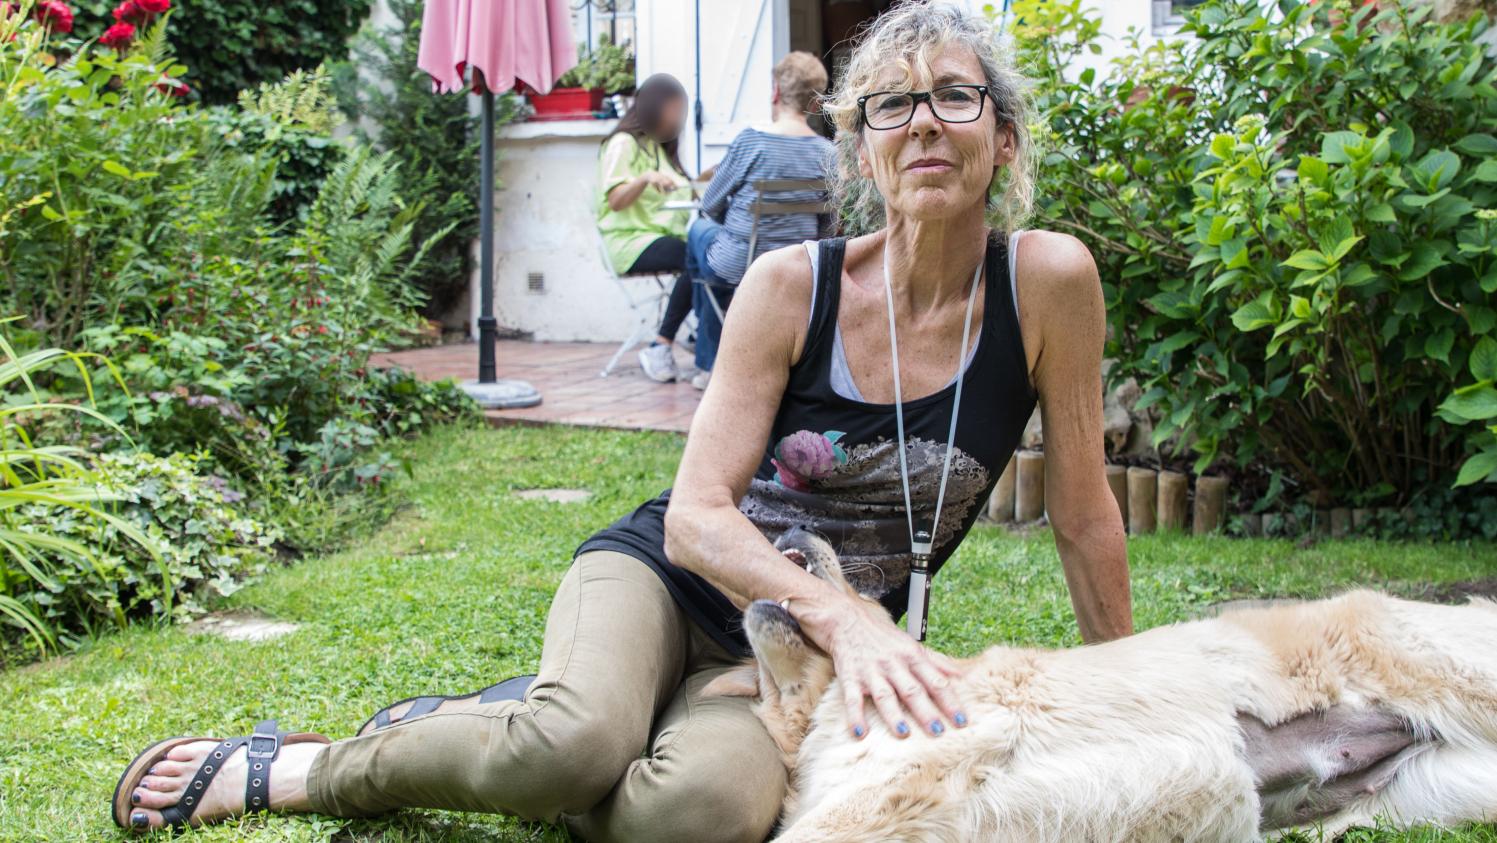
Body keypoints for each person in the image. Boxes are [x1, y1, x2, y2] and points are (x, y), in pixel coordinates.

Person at [111, 4, 1134, 842]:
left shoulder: (1047, 284)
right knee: (573, 747)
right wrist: (849, 616)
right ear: (862, 152)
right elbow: (697, 517)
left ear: (1002, 137)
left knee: (700, 811)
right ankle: (306, 768)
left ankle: (527, 724)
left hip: (790, 655)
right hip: (668, 578)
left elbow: (1085, 518)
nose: (924, 122)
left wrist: (1133, 710)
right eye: (893, 105)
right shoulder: (793, 286)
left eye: (956, 96)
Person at [685, 51, 837, 391]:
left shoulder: (751, 141)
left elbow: (709, 204)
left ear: (775, 93)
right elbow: (829, 223)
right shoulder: (829, 154)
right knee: (708, 252)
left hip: (739, 263)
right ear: (816, 104)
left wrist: (730, 220)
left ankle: (708, 359)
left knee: (697, 234)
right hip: (795, 266)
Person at [595, 73, 695, 383]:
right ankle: (661, 344)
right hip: (630, 243)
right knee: (698, 257)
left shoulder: (661, 149)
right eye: (674, 111)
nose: (678, 119)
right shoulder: (623, 144)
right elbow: (614, 199)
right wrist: (643, 179)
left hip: (665, 239)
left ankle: (707, 339)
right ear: (654, 107)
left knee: (712, 251)